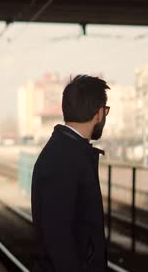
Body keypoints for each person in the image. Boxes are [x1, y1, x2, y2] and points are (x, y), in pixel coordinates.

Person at [31, 75, 110, 272]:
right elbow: (58, 240)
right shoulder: (65, 158)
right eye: (106, 110)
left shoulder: (66, 151)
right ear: (99, 113)